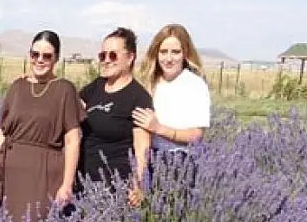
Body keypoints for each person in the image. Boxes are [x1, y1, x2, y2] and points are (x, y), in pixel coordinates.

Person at [0, 30, 86, 222]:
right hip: (10, 172)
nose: (40, 60)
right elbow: (2, 131)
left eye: (47, 56)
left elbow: (72, 141)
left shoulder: (65, 90)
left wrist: (67, 184)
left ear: (56, 59)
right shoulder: (18, 86)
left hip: (43, 173)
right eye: (35, 54)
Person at [76, 27, 153, 206]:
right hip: (83, 181)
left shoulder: (138, 97)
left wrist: (139, 183)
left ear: (130, 57)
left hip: (115, 186)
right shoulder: (96, 86)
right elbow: (69, 107)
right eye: (102, 56)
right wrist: (39, 81)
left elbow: (142, 147)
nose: (106, 60)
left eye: (113, 55)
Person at [131, 23, 211, 189]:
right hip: (147, 159)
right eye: (163, 52)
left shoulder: (194, 85)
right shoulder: (149, 82)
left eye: (175, 52)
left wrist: (158, 128)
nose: (168, 58)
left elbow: (196, 135)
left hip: (178, 163)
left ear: (185, 54)